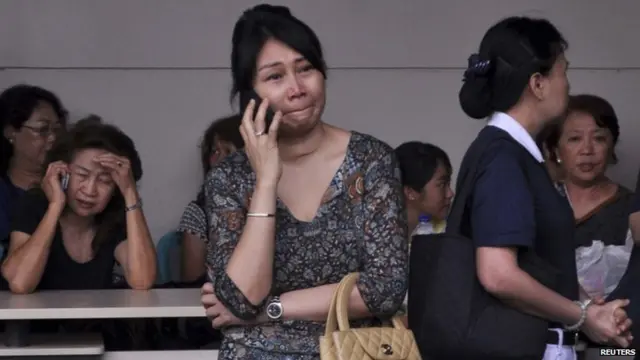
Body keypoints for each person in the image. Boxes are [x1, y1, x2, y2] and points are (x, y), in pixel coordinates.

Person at [200, 4, 408, 359]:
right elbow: (241, 297)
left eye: (305, 69)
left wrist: (275, 308)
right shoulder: (230, 178)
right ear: (250, 92)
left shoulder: (371, 161)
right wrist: (265, 181)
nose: (296, 88)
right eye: (274, 77)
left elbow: (384, 289)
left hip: (352, 352)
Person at [457, 16, 632, 359]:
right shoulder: (503, 157)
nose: (567, 84)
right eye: (563, 71)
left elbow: (537, 263)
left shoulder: (517, 155)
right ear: (538, 84)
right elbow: (498, 275)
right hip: (519, 346)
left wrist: (590, 306)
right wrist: (582, 317)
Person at [2, 115, 156, 293]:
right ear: (63, 173)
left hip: (98, 320)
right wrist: (55, 206)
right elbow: (19, 282)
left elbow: (142, 281)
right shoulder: (35, 204)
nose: (90, 190)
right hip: (40, 321)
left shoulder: (114, 215)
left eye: (105, 181)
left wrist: (130, 193)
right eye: (82, 175)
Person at [0, 84, 67, 259]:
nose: (53, 138)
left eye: (57, 130)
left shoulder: (72, 185)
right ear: (10, 132)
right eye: (42, 130)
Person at [178, 114, 243, 284]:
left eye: (228, 151)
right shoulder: (198, 212)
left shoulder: (274, 204)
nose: (219, 159)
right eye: (214, 151)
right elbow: (192, 284)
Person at [395, 141, 453, 237]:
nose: (450, 194)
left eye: (448, 183)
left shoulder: (444, 232)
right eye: (442, 184)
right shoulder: (378, 238)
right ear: (410, 192)